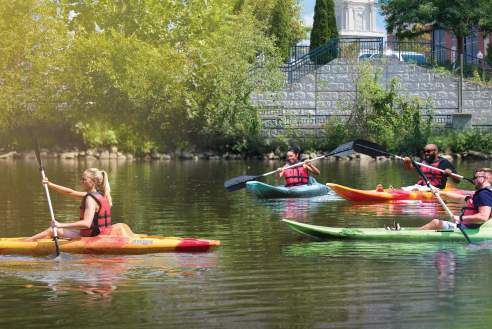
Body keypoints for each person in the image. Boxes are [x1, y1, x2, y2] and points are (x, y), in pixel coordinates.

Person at [26, 168, 112, 241]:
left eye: (84, 179)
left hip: (91, 237)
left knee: (53, 230)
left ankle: (26, 243)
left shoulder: (90, 199)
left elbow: (86, 224)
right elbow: (70, 192)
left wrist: (60, 225)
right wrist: (49, 184)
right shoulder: (100, 195)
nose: (81, 181)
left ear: (94, 181)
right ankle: (28, 241)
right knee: (58, 229)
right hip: (99, 233)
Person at [419, 168, 492, 230]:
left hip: (467, 228)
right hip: (467, 226)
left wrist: (461, 218)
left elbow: (483, 217)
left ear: (485, 178)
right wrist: (440, 192)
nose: (473, 180)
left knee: (436, 223)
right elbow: (460, 198)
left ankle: (411, 235)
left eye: (475, 178)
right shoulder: (484, 193)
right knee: (440, 222)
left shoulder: (484, 194)